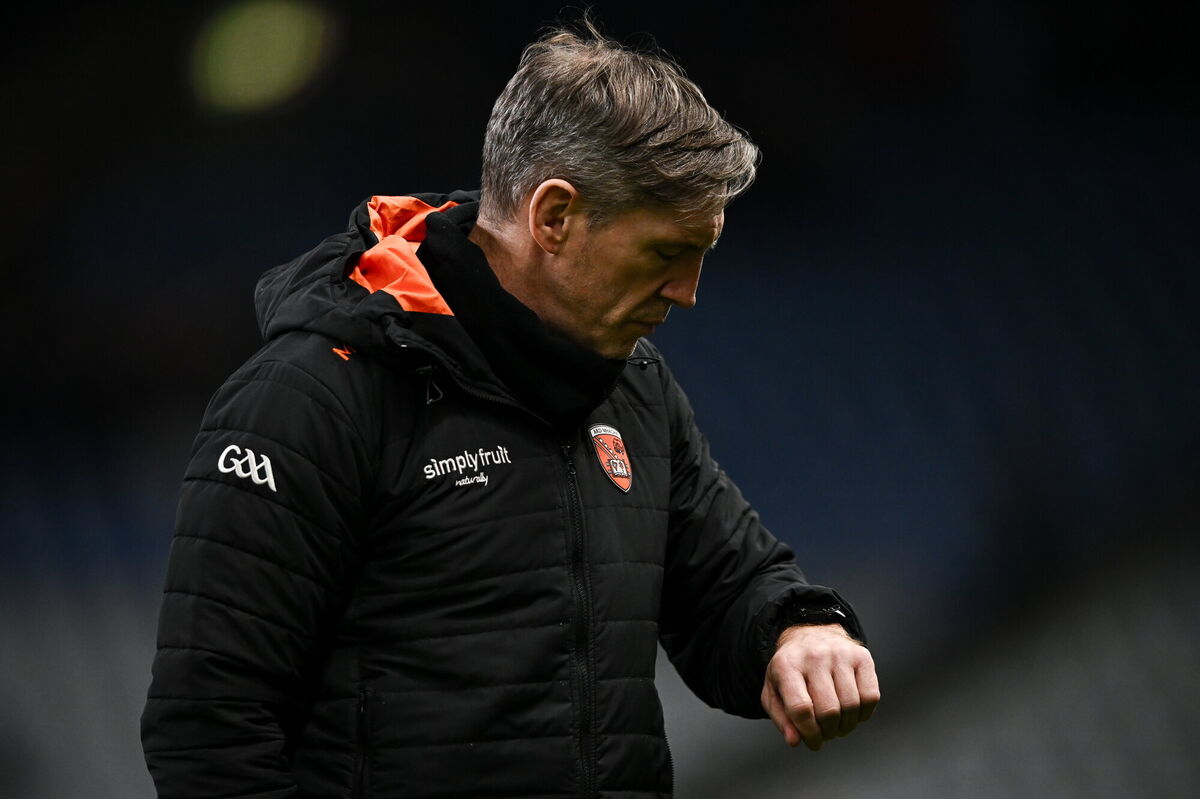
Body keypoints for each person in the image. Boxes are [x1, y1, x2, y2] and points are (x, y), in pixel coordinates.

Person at [141, 20, 879, 799]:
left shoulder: (633, 386)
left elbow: (727, 584)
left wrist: (796, 628)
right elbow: (210, 734)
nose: (688, 293)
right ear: (553, 217)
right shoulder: (312, 399)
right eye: (666, 253)